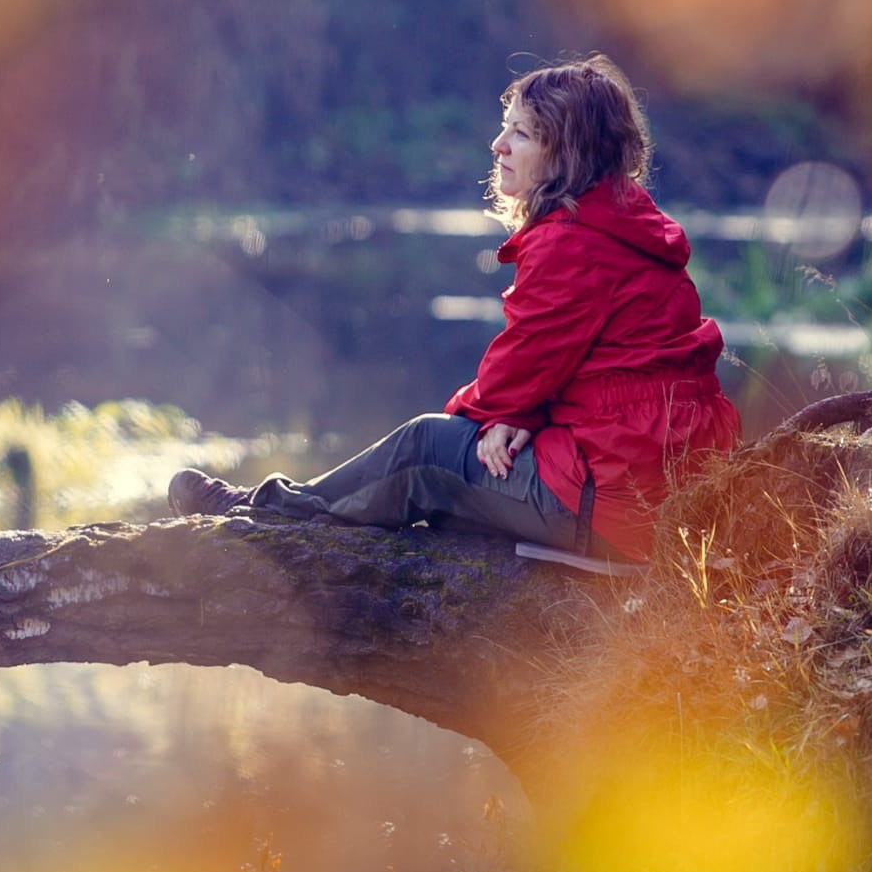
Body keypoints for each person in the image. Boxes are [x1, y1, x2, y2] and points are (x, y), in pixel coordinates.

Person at [167, 55, 741, 571]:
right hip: (659, 490)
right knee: (463, 465)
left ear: (565, 154)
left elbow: (512, 378)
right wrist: (517, 414)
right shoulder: (628, 228)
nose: (498, 145)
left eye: (520, 133)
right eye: (504, 128)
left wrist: (492, 418)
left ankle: (262, 514)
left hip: (615, 501)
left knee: (425, 447)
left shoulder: (571, 242)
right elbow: (572, 371)